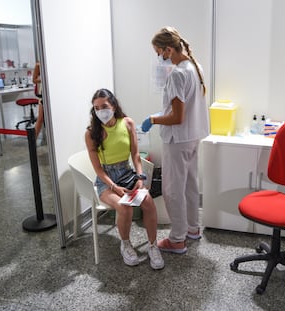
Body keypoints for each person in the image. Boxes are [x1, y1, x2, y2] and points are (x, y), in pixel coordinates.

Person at [141, 26, 209, 254]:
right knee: (190, 185)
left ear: (168, 49)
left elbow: (177, 117)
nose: (159, 58)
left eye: (159, 52)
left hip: (178, 140)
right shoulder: (194, 67)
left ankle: (177, 239)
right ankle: (192, 229)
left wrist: (153, 119)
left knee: (172, 190)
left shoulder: (178, 73)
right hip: (192, 137)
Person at [86, 88, 164, 269]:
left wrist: (140, 177)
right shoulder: (91, 133)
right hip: (106, 181)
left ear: (113, 105)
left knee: (148, 202)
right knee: (124, 207)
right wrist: (114, 187)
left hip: (127, 174)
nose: (100, 111)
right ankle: (126, 244)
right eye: (96, 108)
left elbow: (135, 154)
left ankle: (153, 246)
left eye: (104, 106)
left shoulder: (127, 123)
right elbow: (98, 169)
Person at [32, 61, 44, 139]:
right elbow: (34, 80)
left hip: (54, 93)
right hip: (43, 94)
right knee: (40, 118)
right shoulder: (38, 65)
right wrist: (43, 79)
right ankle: (33, 141)